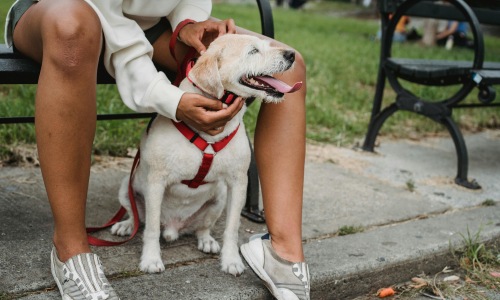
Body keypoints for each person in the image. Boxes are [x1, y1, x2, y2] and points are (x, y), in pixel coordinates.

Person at [5, 0, 310, 299]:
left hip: (152, 25)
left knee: (290, 65)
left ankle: (282, 252)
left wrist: (188, 22)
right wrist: (171, 100)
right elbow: (112, 26)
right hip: (67, 11)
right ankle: (70, 249)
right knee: (72, 28)